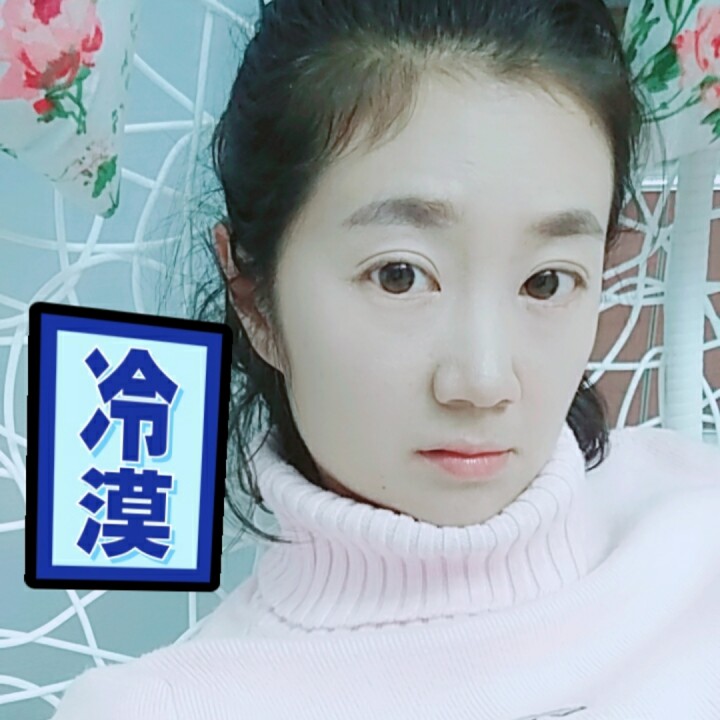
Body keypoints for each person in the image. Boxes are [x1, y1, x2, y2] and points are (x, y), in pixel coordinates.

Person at [52, 0, 720, 718]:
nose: (483, 381)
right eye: (400, 276)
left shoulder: (695, 523)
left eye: (547, 282)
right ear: (254, 295)